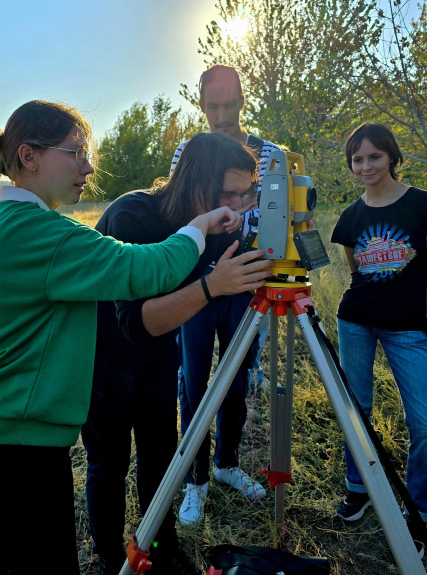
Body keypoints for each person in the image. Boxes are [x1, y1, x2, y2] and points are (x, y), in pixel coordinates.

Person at [0, 101, 245, 575]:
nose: (89, 166)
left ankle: (156, 549)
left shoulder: (4, 225)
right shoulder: (47, 235)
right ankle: (109, 554)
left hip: (7, 432)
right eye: (76, 153)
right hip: (19, 443)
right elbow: (149, 268)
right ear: (28, 156)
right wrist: (201, 229)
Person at [81, 132, 273, 575]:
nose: (240, 205)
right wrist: (212, 286)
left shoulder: (222, 223)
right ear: (196, 183)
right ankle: (111, 558)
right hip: (106, 353)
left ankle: (161, 545)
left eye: (248, 193)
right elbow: (135, 321)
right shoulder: (133, 215)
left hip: (160, 351)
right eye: (230, 193)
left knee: (160, 452)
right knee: (109, 461)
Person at [172, 65, 281, 525]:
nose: (221, 115)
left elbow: (281, 215)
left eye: (229, 104)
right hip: (197, 280)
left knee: (237, 374)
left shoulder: (270, 152)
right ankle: (194, 481)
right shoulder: (189, 151)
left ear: (242, 98)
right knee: (194, 378)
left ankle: (226, 464)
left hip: (248, 280)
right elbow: (180, 208)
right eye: (212, 106)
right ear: (201, 105)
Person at [331, 122, 427, 556]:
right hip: (356, 322)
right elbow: (354, 268)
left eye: (374, 156)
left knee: (423, 421)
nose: (366, 165)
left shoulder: (421, 205)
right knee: (357, 409)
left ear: (391, 156)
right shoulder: (351, 217)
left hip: (410, 328)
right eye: (358, 159)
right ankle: (359, 487)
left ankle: (419, 507)